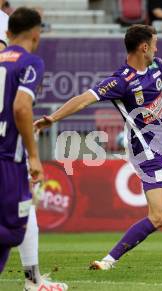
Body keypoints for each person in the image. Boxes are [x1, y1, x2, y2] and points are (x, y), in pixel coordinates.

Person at [33, 24, 162, 270]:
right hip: (147, 150)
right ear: (144, 47)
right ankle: (108, 261)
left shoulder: (158, 67)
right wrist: (53, 118)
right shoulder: (120, 81)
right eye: (154, 44)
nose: (157, 48)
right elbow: (83, 100)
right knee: (158, 217)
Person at [0, 7, 68, 290]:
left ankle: (33, 281)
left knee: (23, 219)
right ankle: (33, 281)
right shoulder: (31, 62)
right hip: (8, 159)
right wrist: (34, 155)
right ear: (37, 34)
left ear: (7, 33)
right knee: (13, 230)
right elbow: (20, 107)